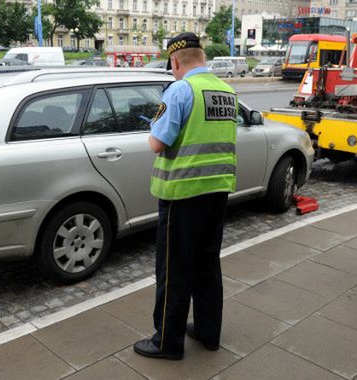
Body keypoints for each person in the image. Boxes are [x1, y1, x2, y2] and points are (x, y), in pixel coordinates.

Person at [132, 32, 237, 360]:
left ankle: (167, 342)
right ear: (202, 58)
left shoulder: (180, 89)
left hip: (183, 194)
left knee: (174, 270)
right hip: (217, 190)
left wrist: (154, 124)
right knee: (207, 264)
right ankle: (208, 332)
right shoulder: (226, 91)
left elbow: (157, 143)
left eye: (172, 66)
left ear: (175, 61)